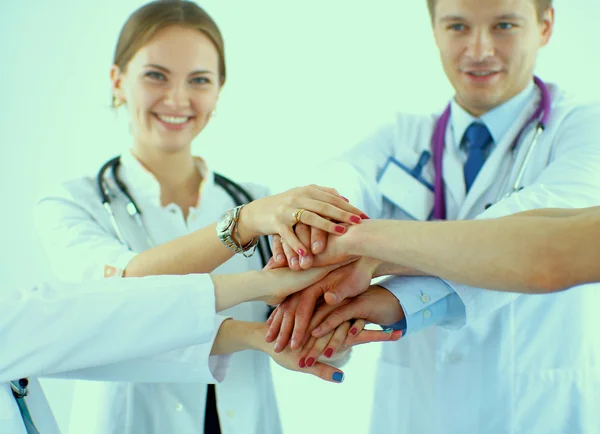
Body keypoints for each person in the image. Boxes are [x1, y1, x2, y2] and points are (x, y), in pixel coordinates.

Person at [32, 2, 374, 433]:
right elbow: (117, 298)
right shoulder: (70, 204)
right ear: (118, 81)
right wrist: (242, 224)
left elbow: (302, 331)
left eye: (199, 80)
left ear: (218, 90)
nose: (177, 99)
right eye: (156, 75)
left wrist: (327, 324)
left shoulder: (261, 202)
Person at [267, 0, 600, 432]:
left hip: (535, 411)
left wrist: (372, 267)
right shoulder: (399, 138)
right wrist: (315, 233)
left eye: (503, 25)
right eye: (458, 26)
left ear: (545, 26)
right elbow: (340, 180)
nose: (479, 49)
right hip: (417, 412)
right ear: (435, 29)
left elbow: (528, 241)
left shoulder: (582, 130)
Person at [1, 264, 358, 434]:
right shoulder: (73, 200)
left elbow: (81, 333)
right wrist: (257, 277)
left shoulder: (258, 200)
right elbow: (88, 316)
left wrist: (261, 336)